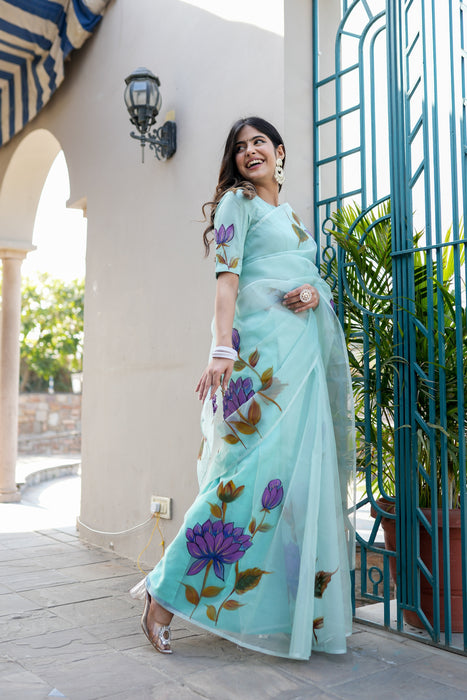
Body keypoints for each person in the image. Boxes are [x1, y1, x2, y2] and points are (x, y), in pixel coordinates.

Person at [138, 116, 356, 660]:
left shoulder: (292, 217)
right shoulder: (239, 203)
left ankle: (302, 613)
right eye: (240, 147)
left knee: (292, 488)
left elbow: (309, 278)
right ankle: (162, 598)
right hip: (259, 368)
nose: (249, 151)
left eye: (259, 142)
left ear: (279, 151)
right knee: (239, 478)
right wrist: (220, 348)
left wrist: (311, 291)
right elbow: (228, 279)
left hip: (300, 366)